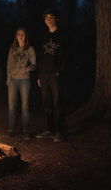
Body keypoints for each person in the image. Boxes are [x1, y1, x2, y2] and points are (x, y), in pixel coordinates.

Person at [36, 9, 67, 142]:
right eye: (46, 18)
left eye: (51, 17)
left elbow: (66, 55)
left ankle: (59, 131)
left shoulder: (62, 35)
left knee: (57, 101)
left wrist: (60, 71)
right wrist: (38, 75)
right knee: (46, 102)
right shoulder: (43, 36)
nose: (49, 20)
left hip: (55, 74)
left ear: (56, 19)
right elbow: (39, 56)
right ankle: (49, 129)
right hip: (43, 74)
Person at [7, 28, 36, 140]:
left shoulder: (30, 49)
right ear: (16, 36)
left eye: (23, 34)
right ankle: (11, 129)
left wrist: (26, 69)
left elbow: (34, 64)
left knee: (25, 106)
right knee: (11, 106)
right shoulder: (12, 49)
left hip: (24, 80)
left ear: (25, 36)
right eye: (18, 34)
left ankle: (25, 130)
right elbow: (8, 65)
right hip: (13, 80)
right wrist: (8, 79)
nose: (21, 36)